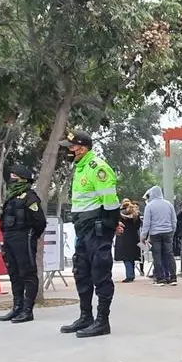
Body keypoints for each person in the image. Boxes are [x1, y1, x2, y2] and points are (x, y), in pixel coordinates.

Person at [58, 129, 121, 338]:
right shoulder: (80, 167)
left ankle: (102, 321)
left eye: (71, 147)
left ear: (82, 149)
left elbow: (110, 202)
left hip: (96, 229)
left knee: (100, 272)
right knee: (81, 272)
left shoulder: (97, 167)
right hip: (82, 228)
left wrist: (110, 227)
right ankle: (86, 316)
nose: (68, 151)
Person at [0, 165, 47, 324]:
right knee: (14, 273)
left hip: (24, 237)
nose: (11, 178)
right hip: (9, 238)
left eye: (14, 176)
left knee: (27, 273)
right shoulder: (10, 196)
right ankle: (17, 307)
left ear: (23, 179)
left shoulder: (30, 197)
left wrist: (31, 236)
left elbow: (40, 221)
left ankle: (27, 310)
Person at [140, 185, 178, 286]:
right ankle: (173, 277)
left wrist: (143, 236)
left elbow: (146, 223)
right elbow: (174, 220)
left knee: (157, 256)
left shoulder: (149, 206)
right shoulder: (169, 204)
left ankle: (160, 278)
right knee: (169, 255)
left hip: (155, 233)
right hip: (168, 232)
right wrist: (172, 231)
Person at [116, 199, 143, 283]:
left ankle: (129, 275)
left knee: (126, 258)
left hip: (123, 238)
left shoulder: (120, 214)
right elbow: (138, 226)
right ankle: (131, 274)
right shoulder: (136, 215)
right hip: (134, 237)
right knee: (131, 257)